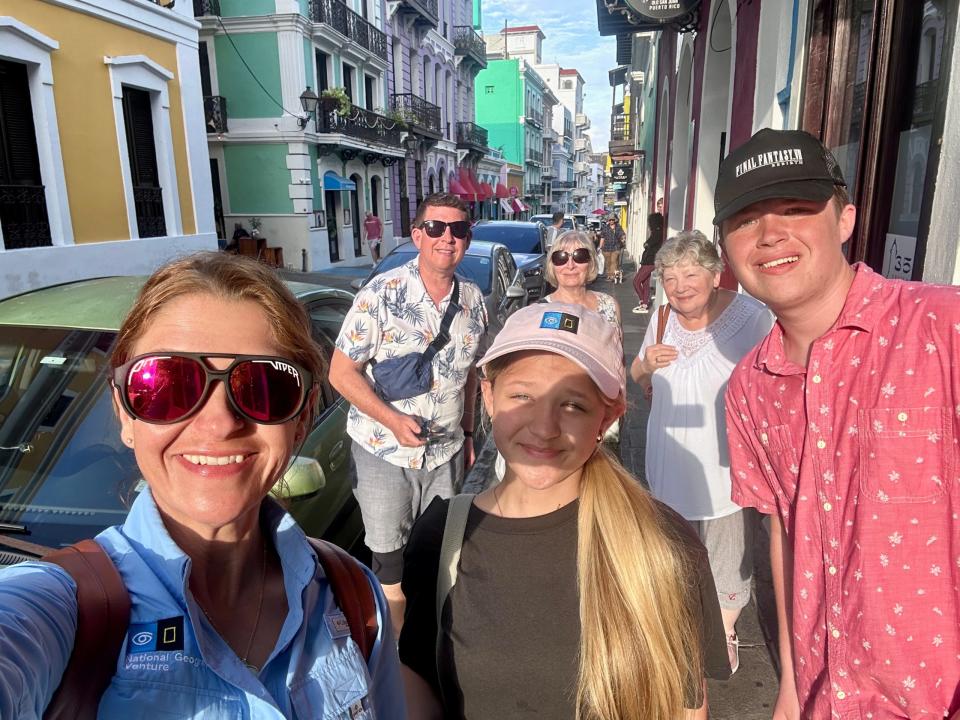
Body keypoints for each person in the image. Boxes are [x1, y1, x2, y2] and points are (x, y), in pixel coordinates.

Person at [0, 253, 405, 717]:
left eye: (263, 386)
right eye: (167, 384)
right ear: (124, 413)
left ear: (302, 417)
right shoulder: (58, 610)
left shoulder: (352, 593)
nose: (218, 423)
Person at [718, 128, 960, 718]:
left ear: (845, 218)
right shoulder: (750, 385)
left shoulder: (943, 328)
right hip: (829, 697)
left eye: (797, 209)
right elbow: (785, 529)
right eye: (746, 220)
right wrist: (793, 685)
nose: (771, 233)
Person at [399, 303, 730, 720]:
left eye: (573, 405)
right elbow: (419, 683)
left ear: (608, 415)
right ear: (488, 395)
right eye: (522, 395)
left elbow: (685, 707)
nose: (543, 427)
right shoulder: (443, 536)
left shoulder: (662, 544)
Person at [329, 192, 488, 632]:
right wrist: (392, 420)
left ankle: (426, 642)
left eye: (457, 229)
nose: (446, 238)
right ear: (418, 235)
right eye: (435, 228)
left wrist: (471, 436)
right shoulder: (380, 294)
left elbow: (472, 373)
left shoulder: (473, 300)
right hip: (383, 452)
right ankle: (394, 663)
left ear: (467, 239)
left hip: (446, 453)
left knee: (434, 552)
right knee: (388, 563)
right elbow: (342, 373)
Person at [629, 230, 773, 675]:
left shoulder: (754, 317)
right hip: (670, 458)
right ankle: (679, 624)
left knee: (729, 553)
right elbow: (635, 376)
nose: (679, 285)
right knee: (674, 551)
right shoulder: (661, 316)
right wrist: (646, 364)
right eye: (670, 277)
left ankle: (724, 630)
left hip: (726, 464)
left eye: (690, 274)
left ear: (714, 275)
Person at [544, 230, 621, 326]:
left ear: (591, 262)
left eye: (580, 256)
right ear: (552, 264)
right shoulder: (539, 312)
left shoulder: (610, 306)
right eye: (561, 257)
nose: (570, 265)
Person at [632, 212, 665, 314]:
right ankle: (645, 303)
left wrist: (646, 244)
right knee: (645, 283)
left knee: (636, 281)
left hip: (649, 261)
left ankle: (643, 302)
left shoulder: (657, 233)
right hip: (649, 260)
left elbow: (648, 244)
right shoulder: (657, 232)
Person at [598, 216, 626, 283]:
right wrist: (600, 246)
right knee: (608, 262)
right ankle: (609, 275)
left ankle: (613, 276)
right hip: (607, 248)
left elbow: (622, 234)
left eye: (612, 220)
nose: (611, 221)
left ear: (615, 220)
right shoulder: (605, 228)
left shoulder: (618, 227)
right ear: (608, 220)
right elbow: (602, 238)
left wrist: (623, 238)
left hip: (616, 247)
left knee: (614, 261)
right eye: (610, 220)